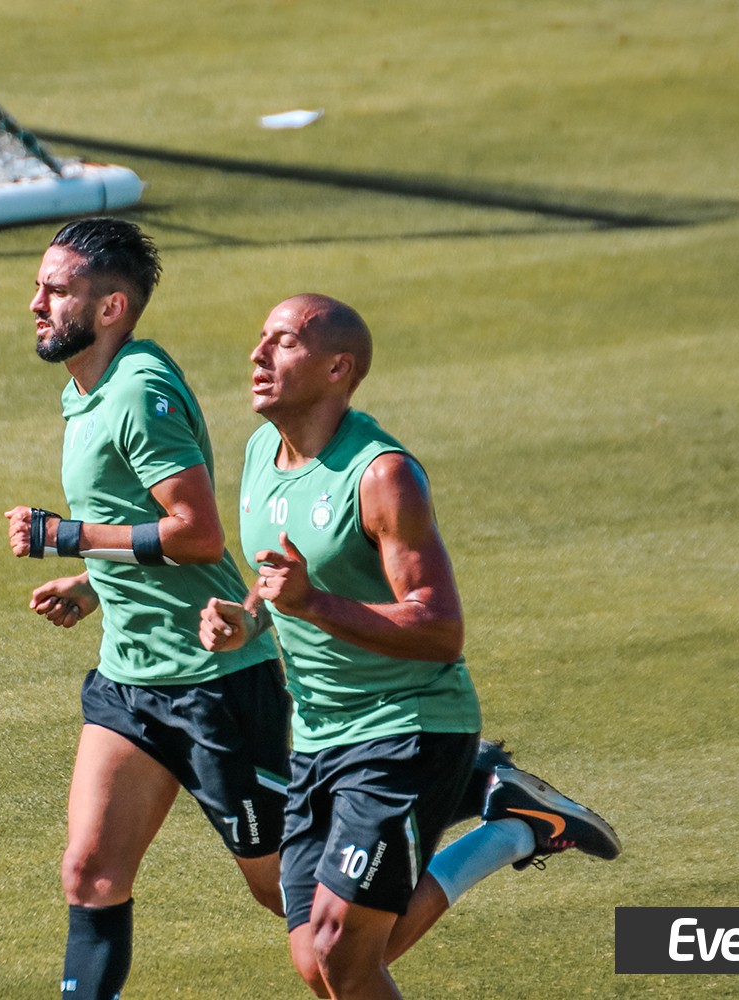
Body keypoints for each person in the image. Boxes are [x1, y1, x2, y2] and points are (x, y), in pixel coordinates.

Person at [199, 293, 621, 999]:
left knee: (341, 952)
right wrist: (249, 620)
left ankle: (509, 820)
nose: (258, 354)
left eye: (284, 342)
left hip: (407, 728)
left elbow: (439, 628)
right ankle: (515, 826)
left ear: (338, 368)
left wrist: (312, 603)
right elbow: (285, 578)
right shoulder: (260, 456)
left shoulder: (382, 474)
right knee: (321, 963)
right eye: (262, 338)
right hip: (318, 735)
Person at [4, 218, 292, 1000]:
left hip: (214, 685)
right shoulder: (87, 389)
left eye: (55, 290)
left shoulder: (137, 390)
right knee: (91, 872)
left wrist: (67, 537)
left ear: (110, 308)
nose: (36, 304)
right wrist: (92, 582)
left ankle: (484, 801)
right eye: (38, 287)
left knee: (288, 894)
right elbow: (137, 519)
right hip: (129, 683)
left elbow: (197, 533)